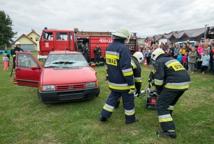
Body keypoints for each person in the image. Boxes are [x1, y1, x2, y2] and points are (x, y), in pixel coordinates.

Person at [151, 48, 190, 138]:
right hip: (185, 83)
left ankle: (169, 131)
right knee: (171, 102)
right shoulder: (172, 59)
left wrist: (159, 91)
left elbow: (159, 80)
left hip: (174, 83)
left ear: (155, 56)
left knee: (161, 105)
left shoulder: (159, 61)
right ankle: (168, 116)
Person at [100, 29, 137, 124]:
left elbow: (108, 65)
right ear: (125, 38)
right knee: (128, 101)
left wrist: (108, 77)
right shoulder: (123, 49)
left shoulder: (109, 47)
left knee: (112, 99)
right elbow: (127, 69)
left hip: (113, 82)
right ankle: (130, 120)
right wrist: (131, 84)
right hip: (123, 84)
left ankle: (104, 115)